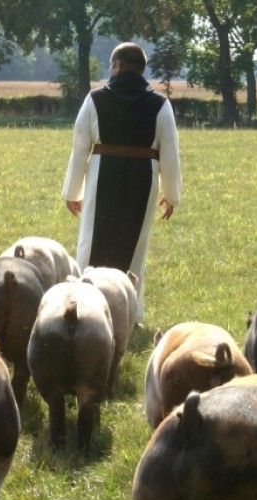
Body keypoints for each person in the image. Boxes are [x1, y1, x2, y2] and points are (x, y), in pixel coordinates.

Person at [61, 42, 182, 326]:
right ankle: (130, 313)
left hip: (102, 172)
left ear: (116, 66)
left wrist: (73, 191)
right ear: (141, 69)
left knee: (90, 243)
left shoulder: (95, 99)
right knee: (135, 246)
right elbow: (170, 151)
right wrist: (171, 195)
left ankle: (82, 302)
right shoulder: (160, 104)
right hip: (144, 176)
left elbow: (80, 146)